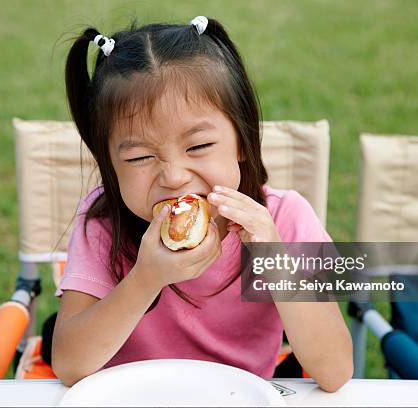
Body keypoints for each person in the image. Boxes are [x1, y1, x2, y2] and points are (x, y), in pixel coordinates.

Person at [52, 16, 353, 391]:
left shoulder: (284, 219)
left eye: (198, 146)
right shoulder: (102, 222)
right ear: (110, 164)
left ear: (242, 140)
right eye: (139, 158)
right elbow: (69, 364)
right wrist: (146, 278)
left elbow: (335, 371)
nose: (174, 176)